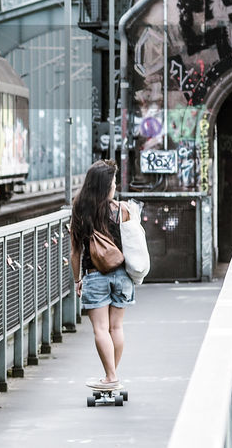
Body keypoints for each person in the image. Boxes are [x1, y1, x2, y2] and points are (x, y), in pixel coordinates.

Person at [68, 159, 133, 391]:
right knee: (116, 328)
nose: (115, 185)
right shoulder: (122, 210)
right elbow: (132, 243)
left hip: (95, 275)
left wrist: (77, 279)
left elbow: (76, 251)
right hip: (122, 276)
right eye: (113, 181)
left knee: (100, 329)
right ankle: (111, 375)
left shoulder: (80, 209)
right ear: (106, 185)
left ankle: (110, 377)